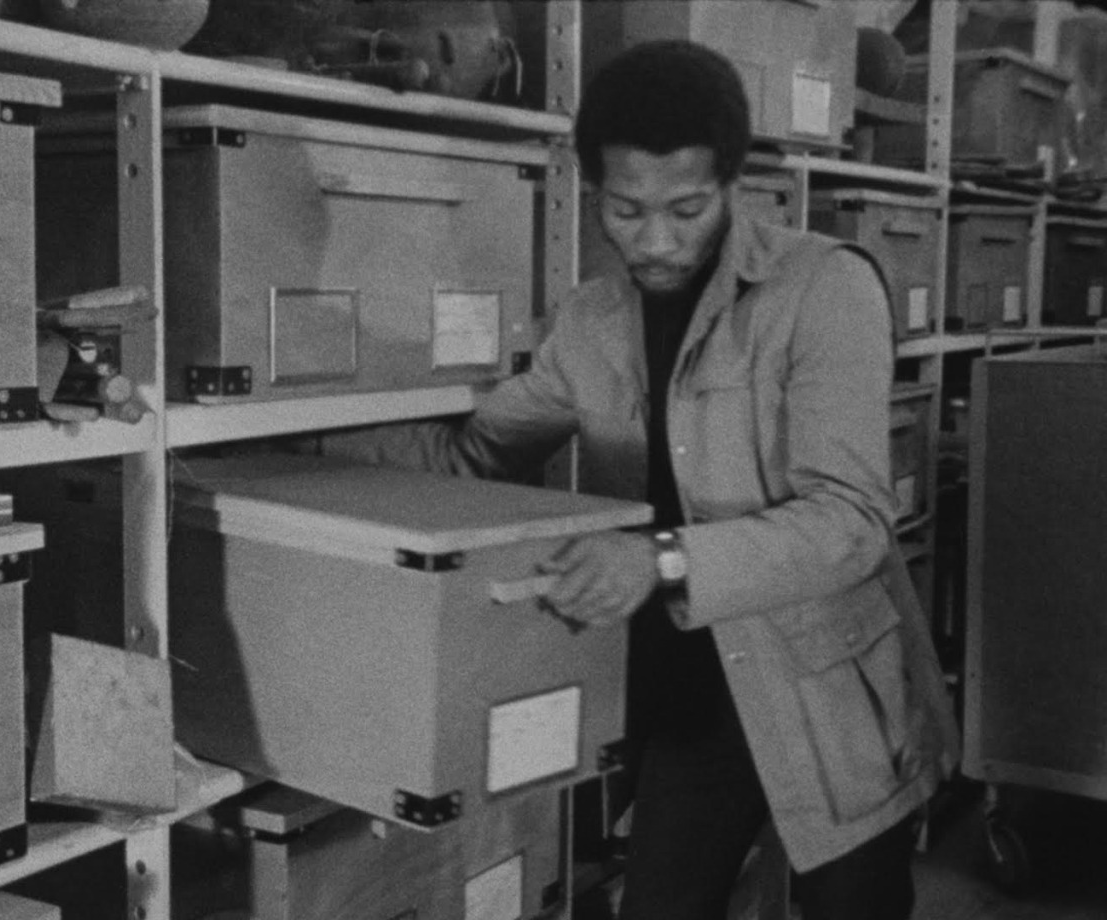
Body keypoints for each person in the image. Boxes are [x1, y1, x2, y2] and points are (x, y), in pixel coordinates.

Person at [309, 38, 959, 920]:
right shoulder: (590, 322)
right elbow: (474, 459)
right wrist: (295, 445)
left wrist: (659, 560)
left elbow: (851, 523)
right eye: (626, 210)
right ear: (594, 193)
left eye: (687, 209)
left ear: (732, 185)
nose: (655, 241)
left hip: (828, 689)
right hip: (691, 698)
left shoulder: (825, 288)